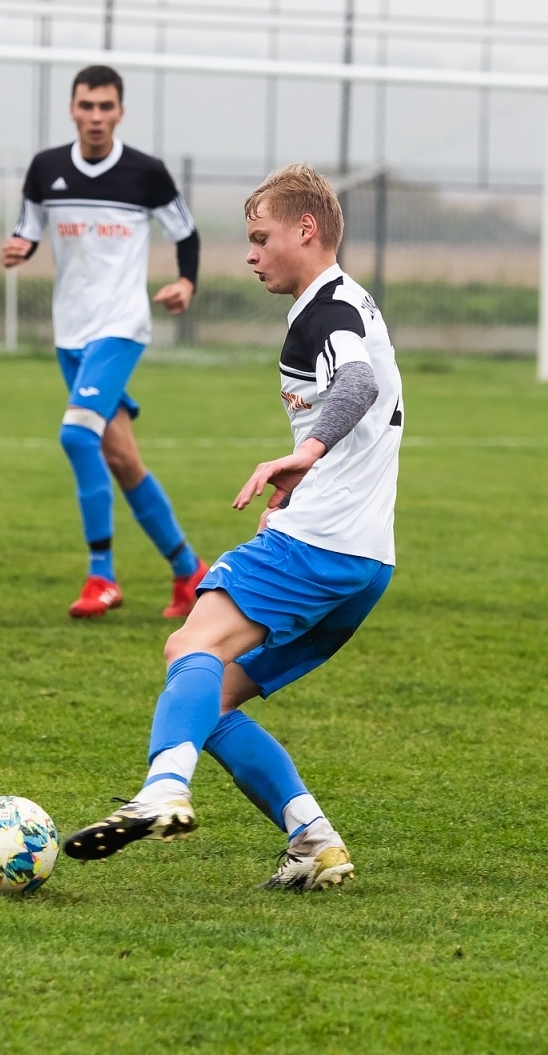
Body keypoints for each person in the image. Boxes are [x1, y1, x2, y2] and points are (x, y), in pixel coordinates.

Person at [64, 164, 404, 892]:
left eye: (260, 238)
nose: (250, 255)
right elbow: (365, 406)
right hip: (367, 564)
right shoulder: (351, 305)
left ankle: (162, 788)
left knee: (189, 644)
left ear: (305, 231)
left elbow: (359, 384)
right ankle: (313, 839)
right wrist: (310, 470)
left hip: (317, 546)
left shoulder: (327, 309)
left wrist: (305, 451)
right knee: (206, 698)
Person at [3, 65, 206, 620]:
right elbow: (29, 225)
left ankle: (102, 576)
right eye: (86, 106)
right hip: (69, 332)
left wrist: (186, 282)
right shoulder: (46, 169)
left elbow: (185, 231)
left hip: (120, 325)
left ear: (120, 111)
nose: (95, 117)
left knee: (76, 437)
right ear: (72, 109)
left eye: (106, 107)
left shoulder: (147, 174)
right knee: (121, 457)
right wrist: (21, 247)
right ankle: (190, 573)